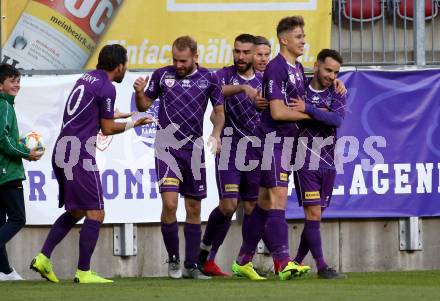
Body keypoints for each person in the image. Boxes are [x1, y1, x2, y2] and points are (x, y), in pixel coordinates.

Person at [30, 44, 153, 284]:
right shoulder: (107, 88)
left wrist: (115, 115)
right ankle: (83, 272)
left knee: (76, 211)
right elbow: (106, 128)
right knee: (96, 212)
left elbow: (88, 113)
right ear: (119, 66)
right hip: (78, 154)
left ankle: (43, 258)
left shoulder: (86, 78)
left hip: (62, 149)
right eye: (125, 65)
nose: (125, 69)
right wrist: (134, 124)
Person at [133, 36, 225, 280]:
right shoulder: (163, 75)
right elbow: (144, 106)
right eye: (175, 59)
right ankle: (173, 258)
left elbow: (218, 112)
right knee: (171, 204)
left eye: (183, 60)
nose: (178, 64)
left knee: (194, 208)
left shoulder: (210, 78)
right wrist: (140, 92)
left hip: (194, 149)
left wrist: (216, 133)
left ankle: (191, 265)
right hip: (167, 148)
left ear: (195, 57)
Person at [231, 16, 314, 281]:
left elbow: (298, 103)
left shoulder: (298, 69)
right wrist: (311, 114)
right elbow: (278, 112)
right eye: (299, 37)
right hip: (271, 141)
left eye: (303, 36)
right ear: (284, 39)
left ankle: (243, 260)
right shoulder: (276, 68)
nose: (303, 41)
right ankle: (283, 262)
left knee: (265, 202)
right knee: (278, 197)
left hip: (286, 142)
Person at [198, 34, 267, 276]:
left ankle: (243, 262)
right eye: (237, 51)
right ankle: (205, 254)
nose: (240, 56)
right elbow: (214, 93)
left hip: (256, 152)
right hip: (228, 149)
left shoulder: (263, 80)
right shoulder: (223, 75)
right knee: (228, 205)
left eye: (245, 52)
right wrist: (242, 88)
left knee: (251, 207)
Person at [290, 49, 347, 279]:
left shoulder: (338, 91)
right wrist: (319, 112)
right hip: (305, 161)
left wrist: (308, 110)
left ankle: (295, 263)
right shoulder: (299, 87)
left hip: (329, 163)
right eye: (328, 70)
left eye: (335, 72)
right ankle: (322, 267)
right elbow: (288, 112)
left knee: (315, 217)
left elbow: (336, 119)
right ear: (316, 65)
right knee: (313, 213)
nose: (332, 76)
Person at [0, 64, 43, 281]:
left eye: (18, 80)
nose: (17, 84)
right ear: (1, 86)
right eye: (11, 80)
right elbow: (3, 140)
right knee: (17, 218)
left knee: (1, 222)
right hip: (7, 173)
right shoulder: (4, 106)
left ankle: (5, 271)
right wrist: (27, 152)